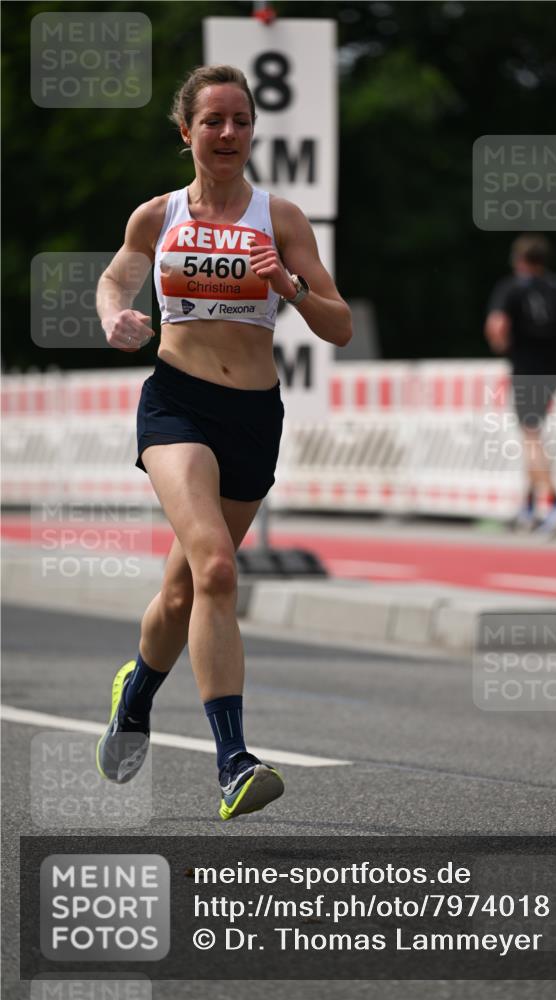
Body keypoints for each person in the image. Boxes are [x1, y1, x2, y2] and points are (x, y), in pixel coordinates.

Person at [94, 65, 352, 820]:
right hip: (177, 405)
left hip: (253, 416)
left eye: (240, 120)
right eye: (213, 121)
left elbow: (337, 324)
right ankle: (234, 761)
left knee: (185, 590)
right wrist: (115, 316)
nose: (228, 133)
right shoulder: (158, 216)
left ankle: (135, 693)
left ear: (253, 131)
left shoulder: (281, 220)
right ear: (187, 132)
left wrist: (291, 288)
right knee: (215, 567)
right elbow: (115, 280)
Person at [484, 234, 556, 538]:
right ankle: (529, 508)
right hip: (553, 367)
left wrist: (501, 344)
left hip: (526, 367)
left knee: (531, 436)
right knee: (534, 433)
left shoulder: (511, 287)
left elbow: (496, 326)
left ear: (519, 260)